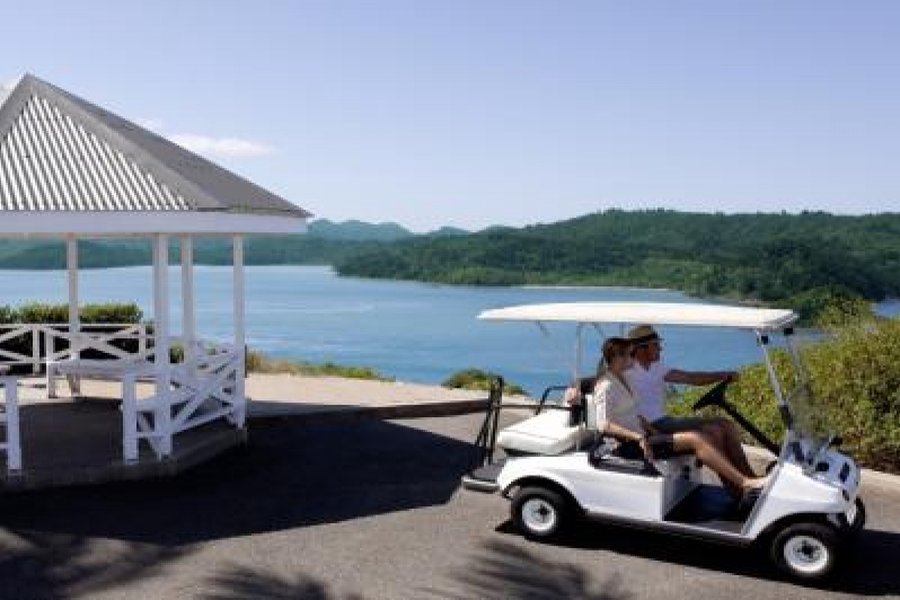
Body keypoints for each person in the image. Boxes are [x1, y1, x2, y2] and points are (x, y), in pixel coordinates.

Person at [592, 337, 766, 498]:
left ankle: (743, 486)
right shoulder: (607, 385)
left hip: (645, 437)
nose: (633, 357)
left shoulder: (624, 378)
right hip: (628, 444)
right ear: (616, 357)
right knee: (697, 439)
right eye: (630, 354)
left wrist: (651, 431)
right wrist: (638, 436)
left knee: (716, 429)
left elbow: (634, 414)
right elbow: (603, 424)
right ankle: (744, 483)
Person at [626, 324, 756, 479]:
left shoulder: (656, 367)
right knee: (715, 431)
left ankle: (749, 477)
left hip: (665, 421)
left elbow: (691, 378)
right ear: (641, 349)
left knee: (726, 424)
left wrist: (722, 375)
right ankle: (738, 485)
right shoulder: (628, 372)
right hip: (652, 426)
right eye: (655, 345)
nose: (660, 349)